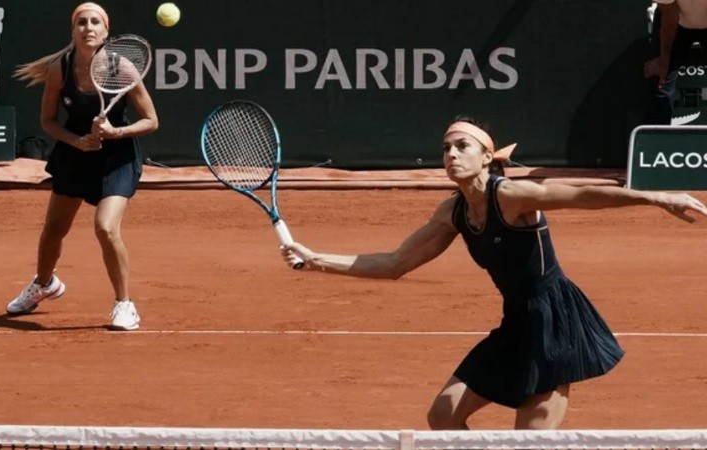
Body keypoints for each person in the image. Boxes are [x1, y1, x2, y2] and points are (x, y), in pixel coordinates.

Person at [281, 117, 707, 429]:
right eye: (446, 148)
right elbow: (395, 263)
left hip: (553, 323)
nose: (450, 154)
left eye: (462, 146)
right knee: (444, 416)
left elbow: (581, 193)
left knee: (529, 442)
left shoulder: (513, 196)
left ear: (487, 156)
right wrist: (316, 258)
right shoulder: (453, 212)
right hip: (515, 324)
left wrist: (656, 196)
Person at [8, 2, 159, 330]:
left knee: (105, 227)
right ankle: (45, 283)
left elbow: (151, 121)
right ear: (73, 31)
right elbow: (48, 121)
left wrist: (115, 132)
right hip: (75, 156)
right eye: (81, 22)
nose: (88, 27)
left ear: (106, 32)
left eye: (94, 22)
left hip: (117, 159)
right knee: (53, 231)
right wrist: (77, 141)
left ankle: (124, 304)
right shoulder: (59, 69)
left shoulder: (123, 69)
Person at [643, 0, 707, 124]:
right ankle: (657, 138)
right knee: (662, 84)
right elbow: (669, 16)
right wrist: (664, 59)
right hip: (677, 24)